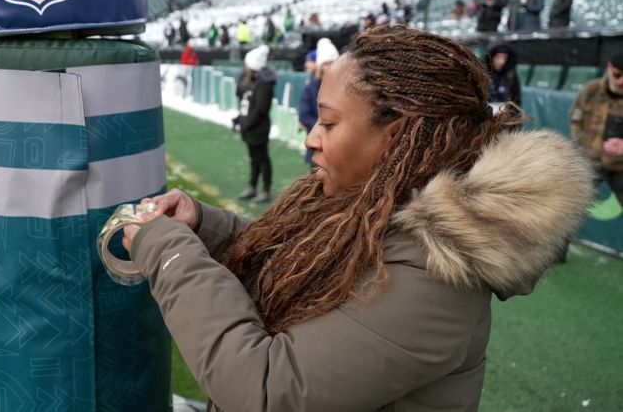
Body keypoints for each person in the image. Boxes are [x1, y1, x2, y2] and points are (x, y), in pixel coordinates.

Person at [119, 25, 594, 412]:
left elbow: (264, 389)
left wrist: (170, 251)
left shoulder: (438, 275)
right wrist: (204, 225)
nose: (310, 138)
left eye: (327, 123)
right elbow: (300, 261)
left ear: (399, 136)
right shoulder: (367, 202)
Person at [570, 52, 623, 205]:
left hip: (620, 164)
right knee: (569, 206)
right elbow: (575, 120)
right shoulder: (590, 90)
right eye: (617, 75)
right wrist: (590, 144)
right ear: (609, 67)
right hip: (590, 160)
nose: (621, 81)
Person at [234, 45, 276, 203]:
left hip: (258, 129)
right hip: (249, 128)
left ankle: (266, 189)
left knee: (263, 159)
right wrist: (239, 119)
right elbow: (245, 102)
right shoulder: (249, 81)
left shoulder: (264, 84)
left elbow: (260, 109)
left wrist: (245, 123)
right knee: (254, 159)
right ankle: (252, 186)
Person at [298, 38, 338, 166]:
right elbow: (304, 114)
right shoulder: (311, 86)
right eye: (326, 63)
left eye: (333, 62)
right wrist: (324, 127)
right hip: (318, 143)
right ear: (320, 66)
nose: (330, 67)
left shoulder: (345, 86)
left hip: (339, 144)